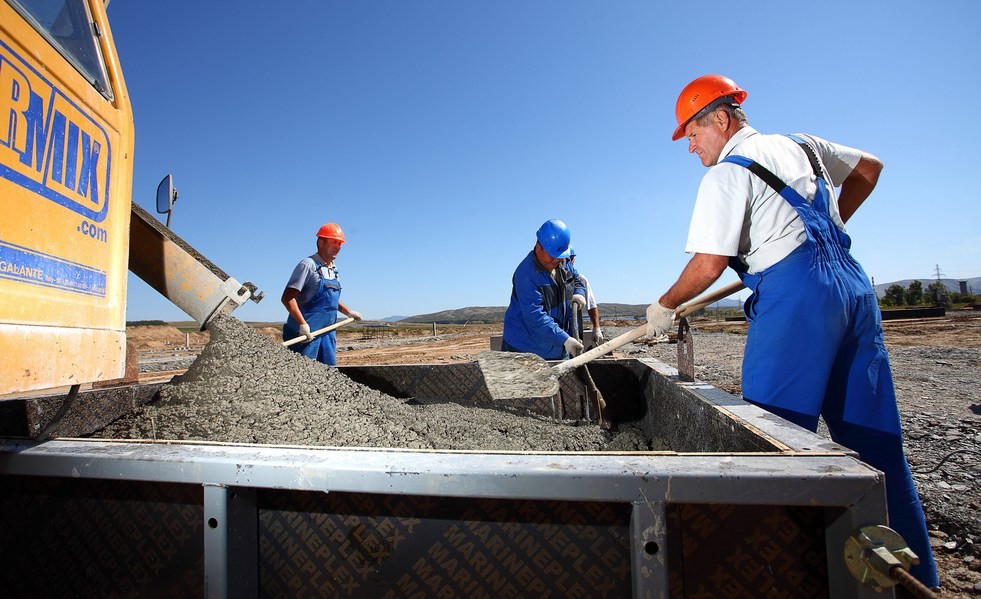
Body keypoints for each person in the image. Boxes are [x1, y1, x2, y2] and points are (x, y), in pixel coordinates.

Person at [646, 74, 938, 588]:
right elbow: (870, 169)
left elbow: (710, 263)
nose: (689, 145)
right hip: (853, 292)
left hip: (795, 302)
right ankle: (914, 579)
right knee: (877, 447)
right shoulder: (805, 145)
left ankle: (784, 578)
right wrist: (829, 227)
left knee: (770, 448)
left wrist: (666, 305)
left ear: (721, 117)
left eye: (692, 132)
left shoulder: (726, 175)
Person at [502, 219, 586, 360]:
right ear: (538, 247)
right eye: (553, 256)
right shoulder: (526, 275)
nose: (557, 261)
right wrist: (564, 339)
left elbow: (576, 279)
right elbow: (535, 316)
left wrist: (579, 293)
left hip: (555, 344)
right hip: (525, 348)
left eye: (560, 256)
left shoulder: (562, 261)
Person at [281, 222, 363, 366]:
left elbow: (329, 300)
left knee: (328, 376)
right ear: (321, 242)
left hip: (327, 333)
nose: (337, 247)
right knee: (303, 376)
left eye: (340, 244)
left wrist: (348, 312)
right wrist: (302, 325)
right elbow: (288, 298)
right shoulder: (308, 265)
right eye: (333, 242)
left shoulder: (333, 270)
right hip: (305, 336)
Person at [568, 248, 604, 348]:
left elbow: (591, 305)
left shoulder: (580, 279)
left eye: (570, 259)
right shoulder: (547, 278)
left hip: (573, 328)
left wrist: (596, 328)